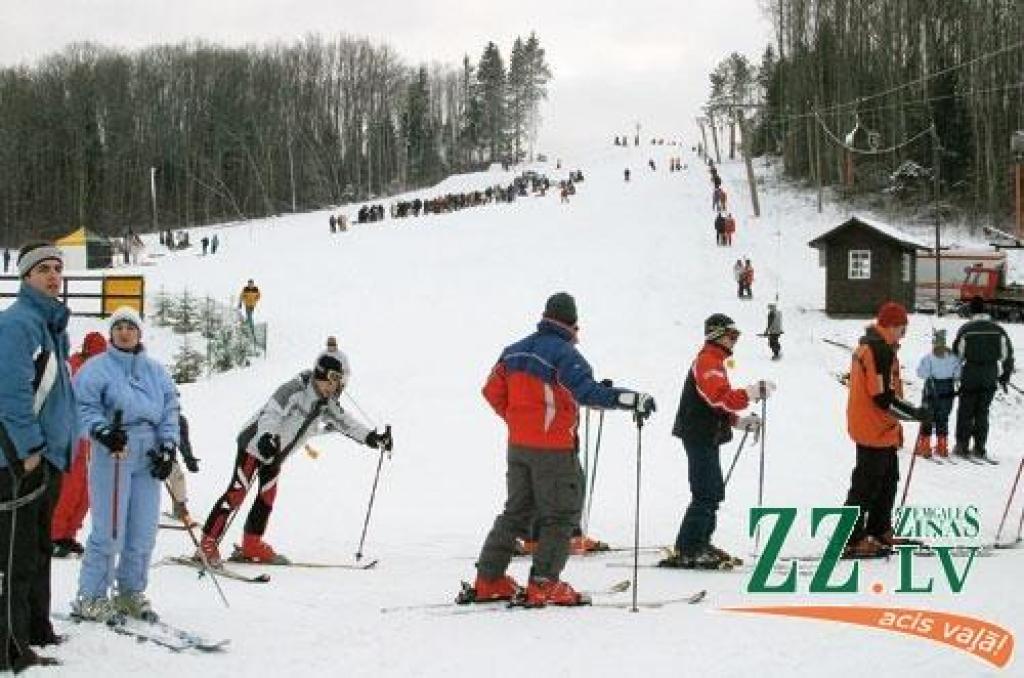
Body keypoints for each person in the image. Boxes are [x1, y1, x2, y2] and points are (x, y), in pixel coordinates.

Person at [466, 293, 655, 606]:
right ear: (571, 322)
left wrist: (518, 421)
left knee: (515, 513)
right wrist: (631, 399)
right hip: (553, 450)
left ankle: (489, 579)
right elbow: (587, 393)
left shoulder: (512, 352)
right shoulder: (564, 354)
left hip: (519, 448)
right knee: (561, 514)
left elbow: (491, 391)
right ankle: (544, 583)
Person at [196, 351, 391, 566]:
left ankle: (252, 544)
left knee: (266, 499)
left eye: (338, 385)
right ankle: (207, 544)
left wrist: (373, 438)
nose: (335, 389)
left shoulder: (326, 403)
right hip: (254, 445)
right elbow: (271, 412)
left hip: (276, 455)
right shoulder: (294, 390)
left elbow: (346, 422)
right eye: (333, 383)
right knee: (236, 494)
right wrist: (266, 436)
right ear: (322, 376)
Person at [71, 306, 180, 623]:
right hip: (114, 452)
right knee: (110, 527)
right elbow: (82, 406)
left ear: (139, 333)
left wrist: (168, 447)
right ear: (110, 332)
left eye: (130, 327)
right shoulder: (96, 369)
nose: (124, 332)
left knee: (143, 528)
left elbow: (170, 408)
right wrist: (101, 431)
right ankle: (91, 595)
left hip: (147, 452)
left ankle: (130, 591)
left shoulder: (155, 371)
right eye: (118, 327)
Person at [0, 242, 77, 672]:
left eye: (57, 269)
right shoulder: (17, 325)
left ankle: (34, 628)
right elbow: (9, 393)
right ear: (26, 277)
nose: (53, 276)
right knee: (15, 553)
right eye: (43, 269)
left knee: (39, 547)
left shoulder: (51, 327)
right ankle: (9, 643)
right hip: (18, 459)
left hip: (48, 456)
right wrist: (28, 449)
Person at [659, 314, 772, 569]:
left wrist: (738, 422)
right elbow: (719, 397)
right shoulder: (707, 361)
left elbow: (716, 406)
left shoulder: (715, 361)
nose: (735, 341)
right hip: (698, 434)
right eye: (732, 336)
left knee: (713, 490)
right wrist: (751, 393)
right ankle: (689, 547)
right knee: (706, 491)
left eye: (737, 336)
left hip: (705, 433)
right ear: (716, 334)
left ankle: (701, 541)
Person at [841, 302, 929, 558]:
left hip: (880, 428)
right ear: (892, 326)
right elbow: (882, 397)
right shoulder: (878, 350)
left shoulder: (876, 346)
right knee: (865, 485)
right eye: (902, 329)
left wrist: (909, 414)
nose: (904, 334)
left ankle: (879, 529)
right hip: (873, 428)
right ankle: (850, 538)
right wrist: (914, 413)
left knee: (888, 480)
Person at [51, 331, 108, 558]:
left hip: (94, 439)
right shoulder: (73, 368)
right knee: (70, 488)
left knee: (86, 491)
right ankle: (55, 534)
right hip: (73, 437)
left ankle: (70, 533)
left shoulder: (105, 371)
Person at [951, 297, 1015, 460]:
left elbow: (957, 355)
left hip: (971, 372)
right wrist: (1004, 376)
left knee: (966, 411)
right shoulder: (998, 330)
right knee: (982, 411)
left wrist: (954, 375)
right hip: (990, 373)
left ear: (972, 310)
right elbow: (1007, 355)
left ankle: (962, 445)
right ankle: (980, 447)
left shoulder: (966, 329)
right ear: (985, 310)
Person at [914, 329, 961, 459]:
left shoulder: (928, 358)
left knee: (927, 417)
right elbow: (958, 375)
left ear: (934, 343)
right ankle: (942, 447)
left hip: (931, 392)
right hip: (948, 393)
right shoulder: (953, 358)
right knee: (943, 418)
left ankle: (925, 446)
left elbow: (921, 374)